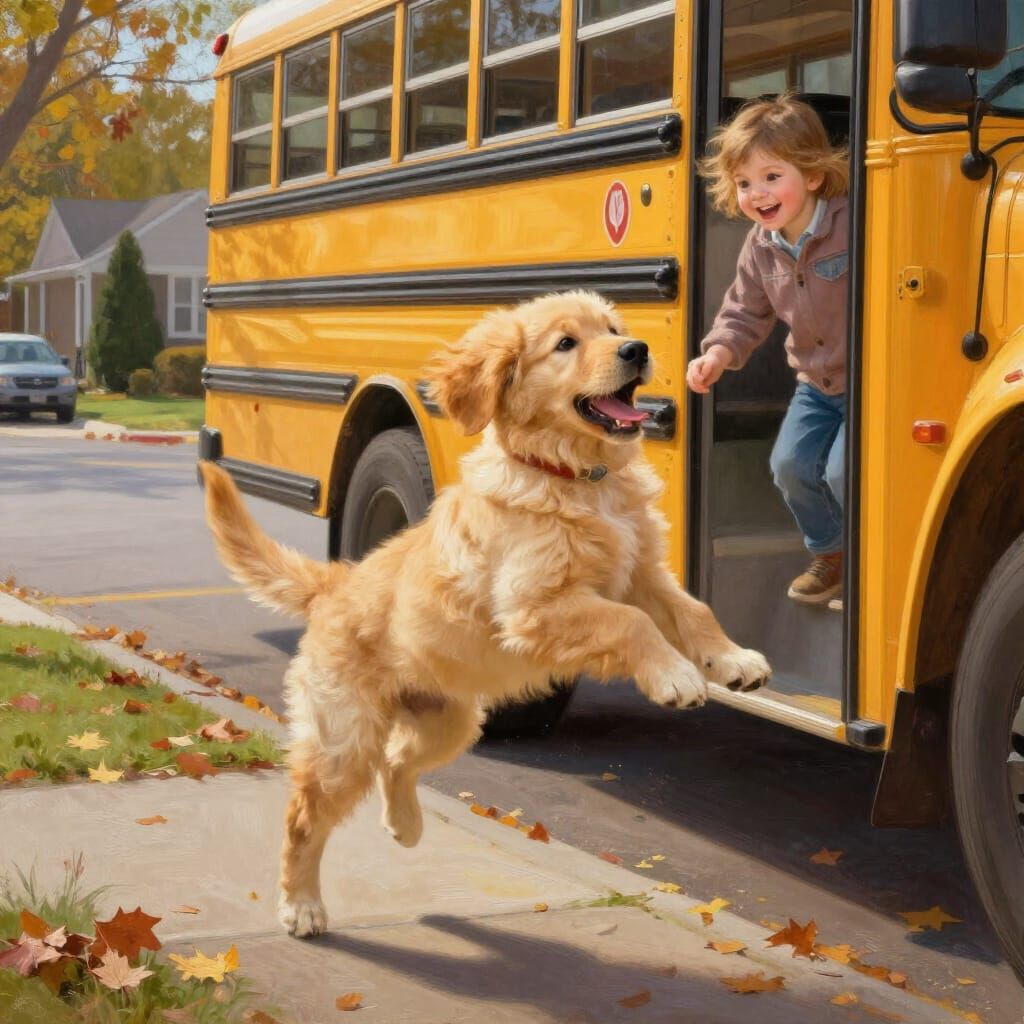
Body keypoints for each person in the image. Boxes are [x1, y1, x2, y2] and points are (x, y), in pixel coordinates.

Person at [686, 93, 850, 606]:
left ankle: (873, 557)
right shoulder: (760, 245)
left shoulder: (852, 224)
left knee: (845, 471)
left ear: (814, 177)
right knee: (789, 466)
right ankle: (831, 553)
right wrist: (717, 354)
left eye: (772, 177)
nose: (757, 194)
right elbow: (743, 311)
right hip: (816, 385)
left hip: (870, 378)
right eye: (744, 184)